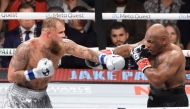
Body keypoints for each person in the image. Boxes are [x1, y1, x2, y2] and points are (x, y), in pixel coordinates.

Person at [2, 17, 125, 108]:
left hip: (41, 96)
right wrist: (35, 73)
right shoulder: (27, 48)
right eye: (60, 32)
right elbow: (11, 76)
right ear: (48, 33)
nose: (64, 35)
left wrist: (106, 59)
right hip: (18, 98)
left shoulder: (63, 45)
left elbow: (86, 52)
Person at [99, 23, 188, 107]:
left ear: (163, 40)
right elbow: (128, 49)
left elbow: (157, 79)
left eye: (151, 42)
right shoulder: (150, 45)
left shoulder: (174, 54)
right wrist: (102, 56)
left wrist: (141, 60)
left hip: (175, 100)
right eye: (147, 41)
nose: (147, 45)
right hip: (154, 98)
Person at [2, 3, 42, 68]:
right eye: (24, 16)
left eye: (30, 16)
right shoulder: (10, 35)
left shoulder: (44, 33)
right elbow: (5, 62)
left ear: (35, 17)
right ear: (18, 18)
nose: (27, 19)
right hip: (17, 74)